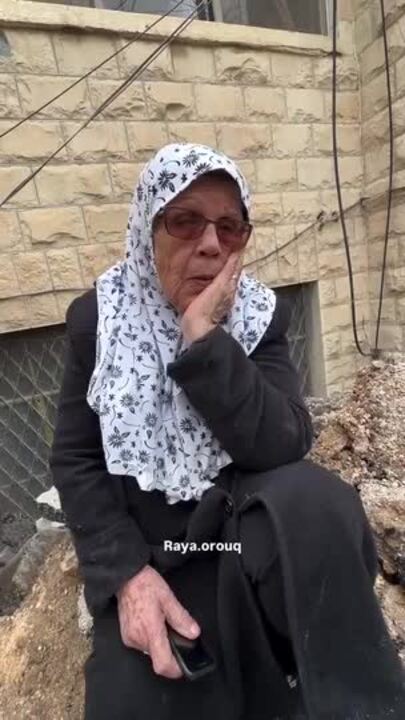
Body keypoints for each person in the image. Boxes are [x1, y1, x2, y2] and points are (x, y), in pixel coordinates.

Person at [50, 143, 405, 720]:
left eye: (229, 227)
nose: (210, 243)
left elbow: (285, 440)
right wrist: (127, 577)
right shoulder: (99, 321)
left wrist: (205, 340)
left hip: (243, 543)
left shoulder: (258, 315)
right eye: (184, 220)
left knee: (315, 499)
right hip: (156, 558)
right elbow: (76, 459)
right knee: (137, 700)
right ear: (148, 225)